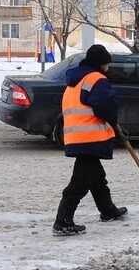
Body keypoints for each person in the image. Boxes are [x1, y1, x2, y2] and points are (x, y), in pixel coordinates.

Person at [53, 44, 128, 236]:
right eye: (107, 64)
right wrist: (114, 123)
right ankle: (62, 222)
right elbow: (105, 108)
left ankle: (108, 211)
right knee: (80, 182)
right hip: (90, 137)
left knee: (96, 178)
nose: (108, 68)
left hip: (76, 136)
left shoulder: (75, 81)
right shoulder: (96, 79)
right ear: (101, 64)